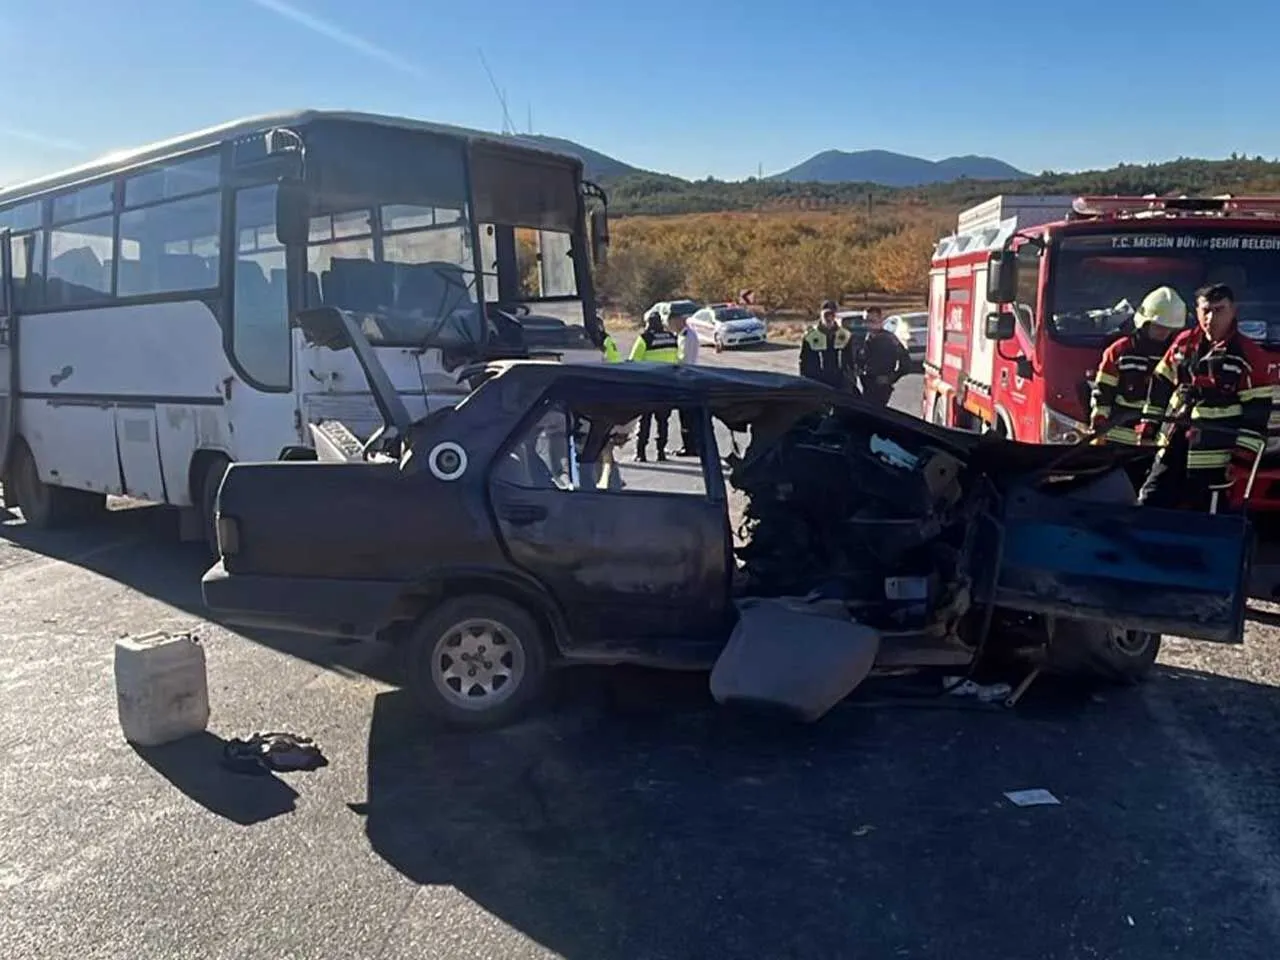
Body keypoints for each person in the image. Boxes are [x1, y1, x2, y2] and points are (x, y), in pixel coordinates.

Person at [1135, 283, 1275, 512]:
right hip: (1173, 446)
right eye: (1205, 311)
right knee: (1150, 503)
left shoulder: (1249, 356)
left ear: (1233, 311)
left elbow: (1257, 414)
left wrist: (1241, 459)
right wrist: (1149, 424)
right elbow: (1161, 383)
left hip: (1215, 459)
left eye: (1218, 310)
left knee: (1207, 520)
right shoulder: (1183, 344)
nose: (1210, 318)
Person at [1090, 285, 1185, 446]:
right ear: (1145, 322)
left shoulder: (1178, 355)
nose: (1163, 332)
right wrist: (1099, 424)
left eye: (1168, 328)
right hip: (1117, 440)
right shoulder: (1120, 350)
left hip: (1157, 441)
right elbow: (1103, 392)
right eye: (1159, 326)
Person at [629, 311, 680, 461]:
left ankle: (640, 453)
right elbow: (676, 360)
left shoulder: (644, 339)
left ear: (648, 323)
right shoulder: (671, 338)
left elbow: (633, 361)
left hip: (647, 386)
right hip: (667, 386)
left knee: (644, 420)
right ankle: (661, 452)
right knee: (663, 421)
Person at [855, 306, 911, 406]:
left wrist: (891, 378)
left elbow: (906, 364)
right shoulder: (864, 339)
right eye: (866, 321)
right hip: (867, 384)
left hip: (881, 387)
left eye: (872, 320)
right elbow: (858, 360)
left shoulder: (890, 340)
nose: (868, 324)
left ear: (880, 321)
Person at [799, 300, 857, 392]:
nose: (829, 317)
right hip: (817, 383)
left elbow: (851, 362)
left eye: (832, 314)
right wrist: (805, 382)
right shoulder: (810, 336)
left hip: (840, 384)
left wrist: (851, 381)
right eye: (826, 314)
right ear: (821, 314)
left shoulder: (845, 335)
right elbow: (804, 362)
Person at [672, 312, 702, 457]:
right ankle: (691, 444)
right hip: (690, 375)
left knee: (686, 416)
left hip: (685, 377)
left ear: (681, 322)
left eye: (674, 322)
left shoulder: (686, 336)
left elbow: (683, 359)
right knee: (687, 415)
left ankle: (689, 446)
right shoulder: (689, 334)